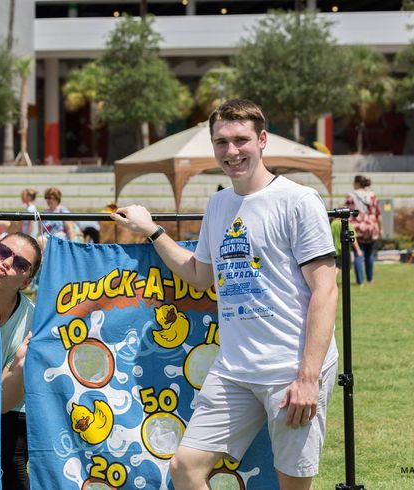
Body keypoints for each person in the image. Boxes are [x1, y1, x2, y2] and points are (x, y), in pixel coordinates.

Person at [111, 99, 339, 490]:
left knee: (293, 484)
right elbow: (200, 276)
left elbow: (326, 289)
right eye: (221, 142)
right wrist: (151, 230)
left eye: (241, 140)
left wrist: (307, 377)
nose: (231, 152)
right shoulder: (218, 205)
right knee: (185, 468)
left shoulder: (298, 201)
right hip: (233, 369)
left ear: (262, 139)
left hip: (290, 368)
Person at [0, 232, 42, 490]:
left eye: (20, 264)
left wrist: (16, 365)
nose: (6, 262)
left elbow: (1, 404)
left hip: (8, 414)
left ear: (26, 280)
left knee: (14, 471)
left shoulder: (33, 322)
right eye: (3, 251)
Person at [345, 175, 381, 285]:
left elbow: (347, 212)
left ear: (357, 183)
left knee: (358, 253)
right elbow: (378, 213)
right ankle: (370, 279)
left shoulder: (351, 196)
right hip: (371, 226)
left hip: (358, 227)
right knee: (370, 254)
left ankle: (360, 281)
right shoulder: (372, 195)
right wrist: (380, 228)